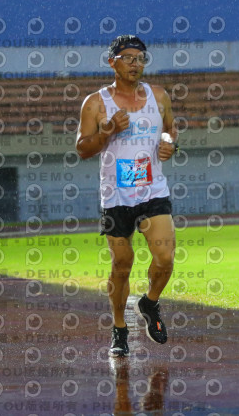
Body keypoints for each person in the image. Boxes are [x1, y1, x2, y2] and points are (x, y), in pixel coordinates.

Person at [75, 35, 179, 357]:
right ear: (113, 62)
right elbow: (82, 149)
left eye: (140, 58)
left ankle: (149, 302)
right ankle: (119, 328)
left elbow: (171, 129)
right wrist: (107, 131)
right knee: (122, 263)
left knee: (165, 257)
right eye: (128, 58)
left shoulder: (158, 96)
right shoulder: (96, 103)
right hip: (116, 195)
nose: (136, 64)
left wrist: (169, 144)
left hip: (152, 190)